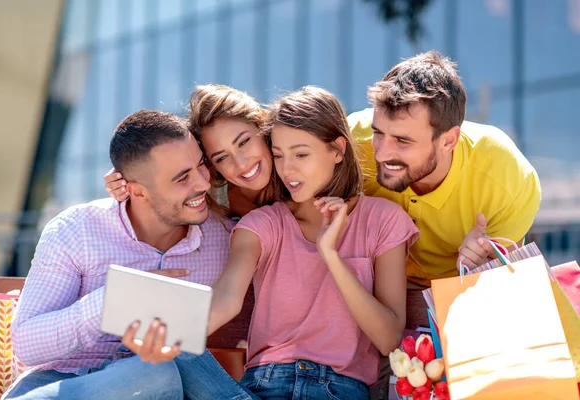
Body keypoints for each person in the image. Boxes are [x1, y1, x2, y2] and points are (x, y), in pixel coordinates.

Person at [122, 86, 419, 399]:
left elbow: (388, 340)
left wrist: (330, 254)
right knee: (173, 349)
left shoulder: (383, 219)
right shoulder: (261, 223)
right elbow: (227, 298)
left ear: (337, 150)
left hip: (334, 389)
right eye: (278, 155)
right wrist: (165, 338)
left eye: (301, 154)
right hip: (260, 388)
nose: (288, 170)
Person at [5, 110, 254, 399]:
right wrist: (114, 299)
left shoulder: (227, 238)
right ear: (136, 191)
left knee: (159, 371)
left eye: (201, 166)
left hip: (161, 385)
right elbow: (27, 345)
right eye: (182, 178)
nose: (202, 183)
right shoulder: (77, 229)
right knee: (155, 372)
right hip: (61, 385)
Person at [348, 50, 541, 286]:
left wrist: (486, 263)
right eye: (378, 132)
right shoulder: (350, 141)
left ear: (448, 141)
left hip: (457, 301)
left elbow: (506, 281)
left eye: (402, 141)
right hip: (372, 292)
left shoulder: (506, 176)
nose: (381, 152)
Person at [105, 84, 275, 218]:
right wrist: (125, 178)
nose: (241, 163)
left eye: (244, 142)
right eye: (221, 157)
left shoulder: (294, 169)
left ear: (261, 127)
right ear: (211, 163)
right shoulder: (210, 191)